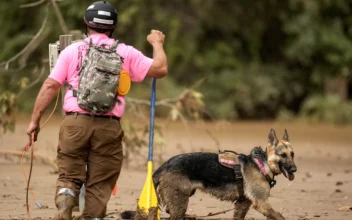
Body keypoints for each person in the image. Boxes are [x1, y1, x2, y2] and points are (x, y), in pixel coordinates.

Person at [25, 1, 168, 219]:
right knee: (100, 181)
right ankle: (91, 216)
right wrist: (157, 43)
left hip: (75, 123)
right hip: (108, 127)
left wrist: (35, 120)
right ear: (113, 26)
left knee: (69, 174)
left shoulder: (72, 50)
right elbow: (160, 69)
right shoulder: (125, 52)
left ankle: (65, 206)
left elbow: (50, 86)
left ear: (86, 22)